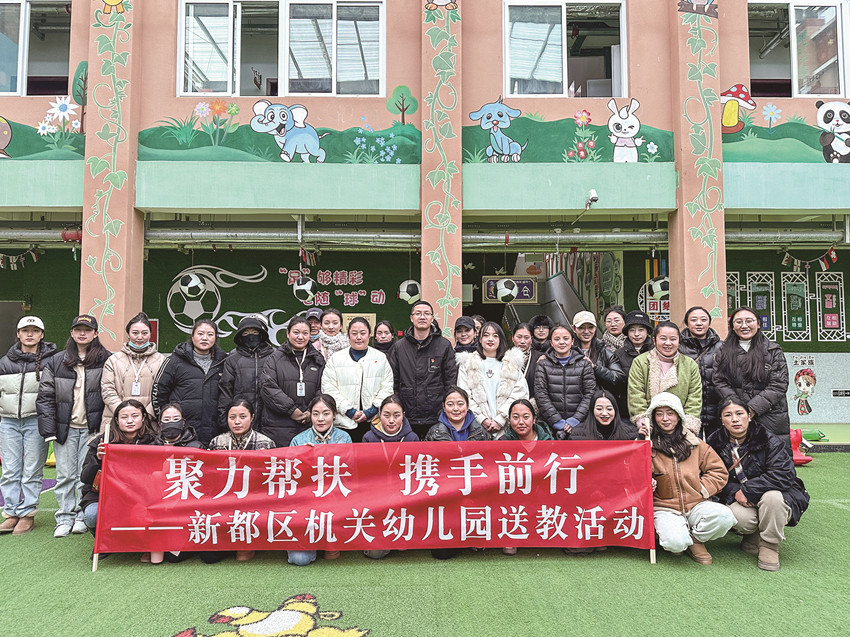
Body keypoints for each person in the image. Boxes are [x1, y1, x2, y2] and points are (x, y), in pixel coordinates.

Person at [707, 397, 809, 571]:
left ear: (749, 415)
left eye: (739, 413)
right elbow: (713, 477)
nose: (735, 419)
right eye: (728, 415)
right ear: (722, 420)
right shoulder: (714, 443)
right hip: (738, 496)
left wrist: (748, 491)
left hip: (776, 495)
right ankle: (753, 535)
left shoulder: (769, 440)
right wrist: (737, 492)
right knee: (739, 518)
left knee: (772, 498)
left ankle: (770, 545)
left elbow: (784, 474)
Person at [637, 392, 734, 565]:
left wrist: (701, 489)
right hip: (664, 508)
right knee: (675, 544)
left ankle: (695, 540)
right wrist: (641, 442)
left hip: (696, 504)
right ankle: (680, 537)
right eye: (659, 414)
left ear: (679, 416)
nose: (665, 418)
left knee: (725, 517)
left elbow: (719, 471)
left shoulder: (695, 443)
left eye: (670, 413)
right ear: (653, 417)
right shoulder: (646, 443)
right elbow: (633, 473)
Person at [37, 314, 109, 538]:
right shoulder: (56, 361)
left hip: (93, 429)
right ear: (71, 332)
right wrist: (49, 429)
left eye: (87, 330)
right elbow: (45, 397)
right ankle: (64, 517)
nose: (82, 333)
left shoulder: (106, 359)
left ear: (95, 333)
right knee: (65, 475)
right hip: (65, 428)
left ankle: (80, 515)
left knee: (84, 475)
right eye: (78, 329)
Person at [80, 399, 161, 562]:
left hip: (141, 497)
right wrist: (98, 460)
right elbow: (85, 478)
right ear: (116, 420)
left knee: (146, 514)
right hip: (105, 495)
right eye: (124, 417)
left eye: (135, 416)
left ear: (143, 418)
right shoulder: (102, 442)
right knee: (92, 515)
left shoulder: (154, 442)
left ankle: (144, 544)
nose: (130, 421)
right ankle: (103, 541)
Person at [0, 316, 57, 535]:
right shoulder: (5, 362)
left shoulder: (51, 361)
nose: (30, 334)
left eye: (35, 330)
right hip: (8, 421)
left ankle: (27, 514)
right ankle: (11, 513)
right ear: (18, 334)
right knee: (10, 470)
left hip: (36, 421)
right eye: (25, 330)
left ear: (42, 335)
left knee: (32, 470)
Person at [288, 394, 351, 566]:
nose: (321, 419)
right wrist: (304, 457)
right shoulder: (298, 440)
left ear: (334, 414)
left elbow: (348, 474)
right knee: (299, 559)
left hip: (334, 501)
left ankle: (329, 541)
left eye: (326, 413)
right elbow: (291, 479)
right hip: (306, 504)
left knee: (332, 553)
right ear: (310, 415)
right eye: (315, 414)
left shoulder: (344, 438)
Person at [713, 306, 791, 445]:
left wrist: (752, 408)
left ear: (758, 324)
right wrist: (738, 408)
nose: (744, 326)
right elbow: (719, 381)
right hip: (735, 417)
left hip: (770, 415)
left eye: (749, 321)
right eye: (738, 322)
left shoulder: (773, 350)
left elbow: (779, 384)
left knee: (773, 453)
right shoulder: (723, 351)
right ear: (732, 326)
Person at [387, 300, 457, 439]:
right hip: (407, 414)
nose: (422, 317)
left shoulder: (444, 345)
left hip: (436, 415)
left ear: (432, 318)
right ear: (411, 318)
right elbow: (393, 381)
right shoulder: (399, 347)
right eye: (418, 313)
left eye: (426, 314)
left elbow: (450, 381)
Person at [152, 319, 227, 447]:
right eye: (200, 334)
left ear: (215, 338)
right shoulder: (174, 361)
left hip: (214, 430)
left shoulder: (223, 362)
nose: (205, 338)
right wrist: (169, 421)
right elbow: (158, 392)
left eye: (210, 334)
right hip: (182, 434)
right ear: (192, 336)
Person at [361, 395, 419, 559]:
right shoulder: (369, 438)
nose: (391, 420)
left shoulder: (412, 438)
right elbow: (363, 475)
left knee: (403, 545)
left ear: (403, 415)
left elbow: (417, 476)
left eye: (396, 415)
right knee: (375, 554)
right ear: (379, 415)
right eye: (386, 415)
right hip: (376, 501)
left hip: (404, 500)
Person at [321, 317, 393, 441]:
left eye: (363, 333)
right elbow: (328, 388)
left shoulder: (380, 358)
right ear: (348, 335)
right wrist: (349, 411)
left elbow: (387, 387)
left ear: (369, 335)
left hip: (374, 422)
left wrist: (371, 411)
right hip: (343, 423)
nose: (359, 337)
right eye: (354, 333)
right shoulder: (336, 359)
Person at [260, 317, 325, 447]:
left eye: (305, 333)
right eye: (296, 332)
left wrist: (311, 410)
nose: (300, 337)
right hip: (278, 426)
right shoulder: (275, 358)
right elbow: (268, 387)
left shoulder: (317, 359)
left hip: (310, 423)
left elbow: (322, 387)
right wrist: (291, 410)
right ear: (288, 333)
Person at [628, 321, 702, 435]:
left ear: (679, 341)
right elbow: (635, 393)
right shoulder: (640, 362)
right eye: (663, 338)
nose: (668, 343)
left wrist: (687, 426)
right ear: (654, 340)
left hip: (680, 428)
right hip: (650, 427)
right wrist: (644, 421)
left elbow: (694, 397)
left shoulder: (689, 364)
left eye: (673, 339)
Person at [456, 322, 528, 439]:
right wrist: (481, 419)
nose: (490, 339)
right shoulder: (467, 363)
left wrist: (500, 419)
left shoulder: (512, 363)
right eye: (486, 335)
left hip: (507, 427)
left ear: (500, 339)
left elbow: (519, 394)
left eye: (495, 336)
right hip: (476, 428)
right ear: (480, 339)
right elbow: (464, 395)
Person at [501, 398, 552, 556]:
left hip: (543, 491)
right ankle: (512, 533)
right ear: (510, 420)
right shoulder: (502, 443)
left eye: (526, 417)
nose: (521, 422)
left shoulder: (548, 441)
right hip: (514, 493)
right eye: (516, 417)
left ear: (534, 419)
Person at [100, 312, 165, 431]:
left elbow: (164, 391)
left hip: (150, 423)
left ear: (150, 334)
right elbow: (107, 390)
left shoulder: (162, 361)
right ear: (128, 334)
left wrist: (145, 416)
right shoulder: (113, 360)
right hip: (117, 422)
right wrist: (123, 414)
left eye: (144, 333)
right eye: (135, 333)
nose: (140, 337)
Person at [534, 324, 596, 439]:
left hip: (580, 425)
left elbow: (590, 394)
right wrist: (557, 421)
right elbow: (541, 395)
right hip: (550, 425)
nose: (562, 342)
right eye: (557, 339)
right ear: (551, 342)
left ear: (572, 341)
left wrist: (575, 419)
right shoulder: (543, 364)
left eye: (566, 338)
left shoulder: (584, 364)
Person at [217, 314, 274, 430]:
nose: (251, 336)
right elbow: (226, 391)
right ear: (240, 337)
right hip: (241, 420)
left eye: (255, 332)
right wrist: (224, 421)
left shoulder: (274, 356)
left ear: (261, 334)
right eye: (246, 333)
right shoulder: (232, 359)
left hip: (270, 420)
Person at [678, 306, 724, 437]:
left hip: (716, 409)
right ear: (687, 323)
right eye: (694, 320)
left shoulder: (722, 346)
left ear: (709, 322)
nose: (699, 323)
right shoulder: (678, 347)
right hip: (689, 410)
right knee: (691, 445)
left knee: (717, 446)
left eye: (703, 320)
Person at [572, 310, 625, 396]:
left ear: (595, 328)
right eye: (581, 328)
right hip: (573, 398)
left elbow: (617, 377)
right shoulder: (567, 350)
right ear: (574, 329)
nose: (586, 331)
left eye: (590, 327)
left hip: (599, 399)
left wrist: (595, 367)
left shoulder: (604, 351)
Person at [424, 386, 492, 442]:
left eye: (460, 404)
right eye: (450, 404)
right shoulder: (434, 432)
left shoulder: (480, 431)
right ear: (444, 407)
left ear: (468, 406)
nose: (455, 409)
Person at [569, 389, 639, 441]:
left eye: (609, 409)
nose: (604, 413)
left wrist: (640, 437)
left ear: (615, 410)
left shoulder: (630, 433)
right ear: (592, 410)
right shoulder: (577, 434)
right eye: (599, 409)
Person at [511, 323, 538, 400]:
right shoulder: (505, 357)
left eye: (526, 338)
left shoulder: (540, 357)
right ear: (513, 338)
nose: (522, 341)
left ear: (531, 339)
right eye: (519, 337)